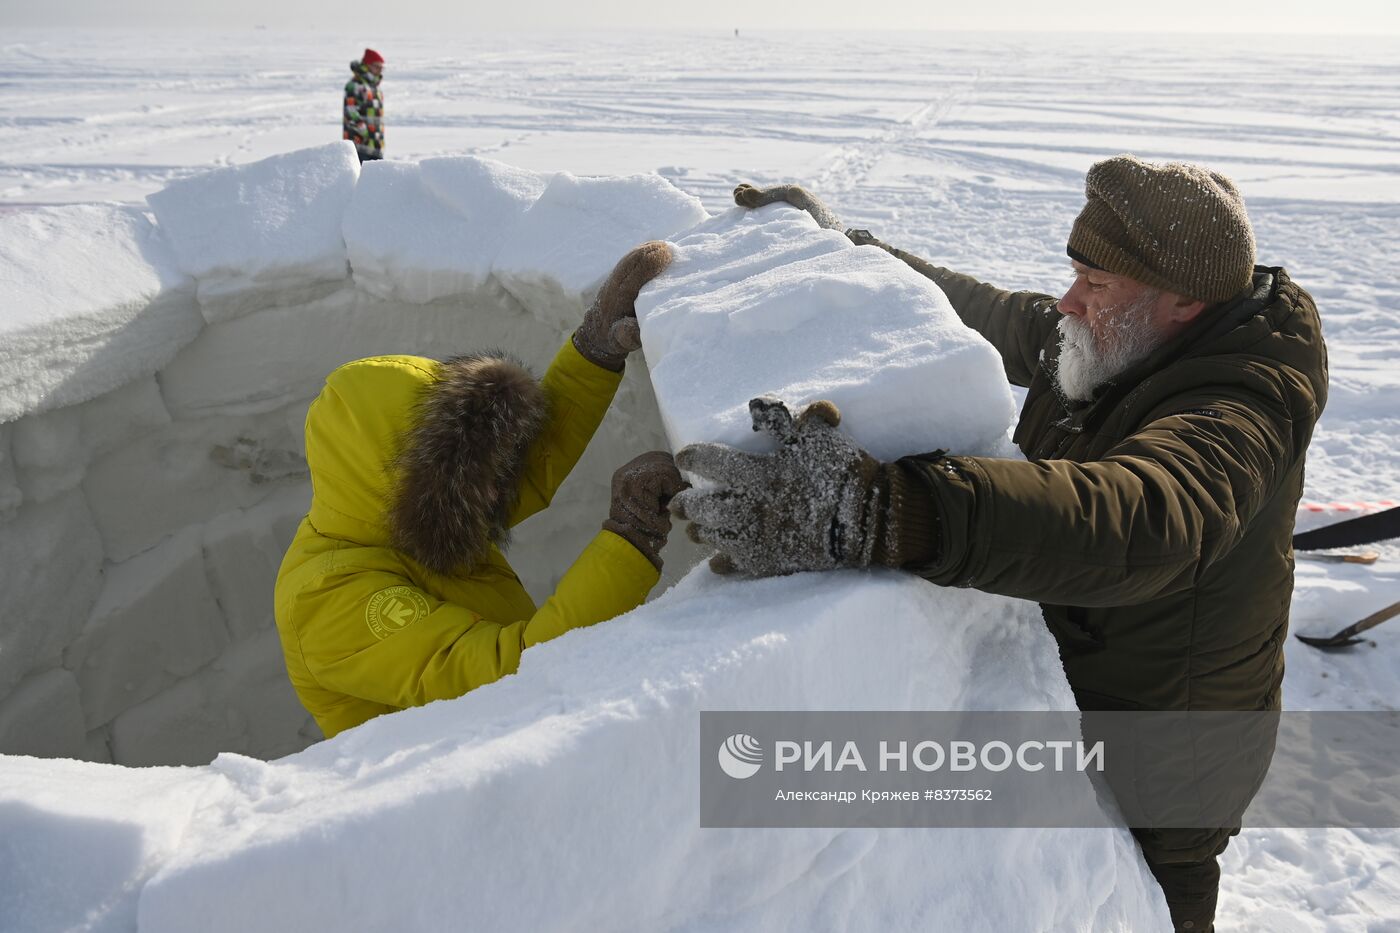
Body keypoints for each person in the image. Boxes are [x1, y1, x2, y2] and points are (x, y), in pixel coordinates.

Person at [673, 158, 1328, 932]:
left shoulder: (1243, 398)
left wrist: (890, 510)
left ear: (1185, 300)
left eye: (1098, 285)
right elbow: (993, 314)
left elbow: (1153, 516)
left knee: (1153, 905)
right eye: (1076, 273)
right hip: (1074, 700)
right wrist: (849, 251)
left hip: (1168, 756)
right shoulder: (1124, 330)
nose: (1068, 302)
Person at [275, 242, 683, 740]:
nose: (492, 492)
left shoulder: (407, 516)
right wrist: (630, 537)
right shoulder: (330, 600)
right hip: (455, 795)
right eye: (466, 474)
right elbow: (512, 675)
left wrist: (594, 352)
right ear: (414, 483)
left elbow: (525, 469)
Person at [343, 48, 385, 163]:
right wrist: (364, 132)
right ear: (367, 65)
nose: (380, 70)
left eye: (381, 67)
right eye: (377, 66)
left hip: (375, 144)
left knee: (377, 179)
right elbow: (351, 112)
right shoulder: (355, 85)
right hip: (359, 144)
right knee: (361, 178)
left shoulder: (374, 86)